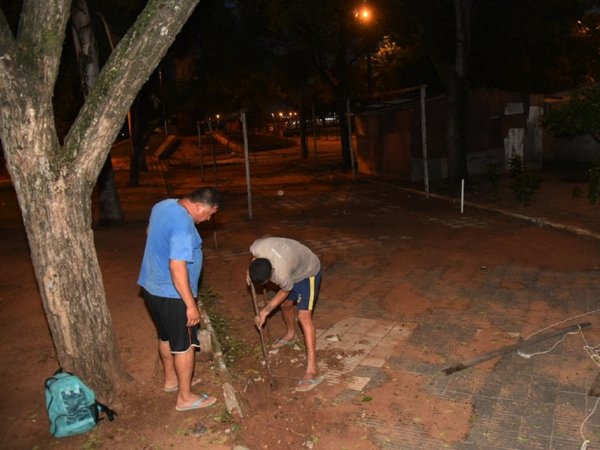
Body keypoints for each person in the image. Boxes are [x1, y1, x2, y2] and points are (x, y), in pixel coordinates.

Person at [138, 187, 221, 411]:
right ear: (199, 206)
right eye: (210, 213)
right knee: (184, 345)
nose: (208, 218)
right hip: (173, 295)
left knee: (165, 337)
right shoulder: (184, 226)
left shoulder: (163, 205)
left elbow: (149, 232)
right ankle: (185, 397)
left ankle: (172, 381)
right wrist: (190, 305)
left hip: (151, 286)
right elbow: (177, 267)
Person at [249, 236, 323, 392]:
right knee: (286, 305)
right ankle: (291, 334)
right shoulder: (256, 247)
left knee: (304, 317)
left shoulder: (281, 273)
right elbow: (254, 258)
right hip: (292, 266)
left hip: (307, 272)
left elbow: (285, 290)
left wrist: (266, 311)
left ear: (272, 272)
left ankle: (312, 370)